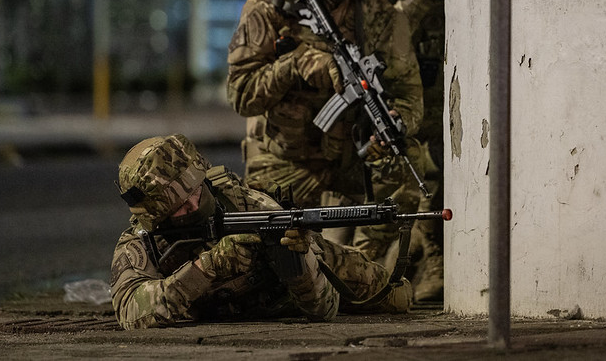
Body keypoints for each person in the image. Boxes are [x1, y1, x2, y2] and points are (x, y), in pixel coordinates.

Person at [225, 0, 424, 247]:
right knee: (269, 262)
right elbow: (241, 95)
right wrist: (298, 64)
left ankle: (365, 269)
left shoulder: (381, 16)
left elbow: (409, 95)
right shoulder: (271, 7)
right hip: (284, 162)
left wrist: (395, 122)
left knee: (403, 158)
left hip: (351, 163)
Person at [109, 134, 412, 330]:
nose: (193, 203)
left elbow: (323, 310)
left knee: (398, 297)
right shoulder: (141, 243)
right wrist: (207, 268)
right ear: (157, 216)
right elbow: (130, 312)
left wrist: (300, 262)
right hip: (224, 308)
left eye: (196, 191)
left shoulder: (246, 204)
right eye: (179, 206)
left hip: (285, 294)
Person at [366, 0, 468, 302]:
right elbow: (379, 31)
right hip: (402, 95)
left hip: (458, 89)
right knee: (394, 196)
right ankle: (366, 276)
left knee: (446, 184)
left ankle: (434, 268)